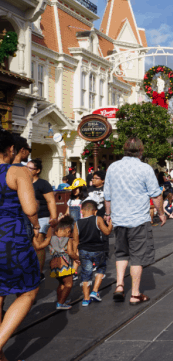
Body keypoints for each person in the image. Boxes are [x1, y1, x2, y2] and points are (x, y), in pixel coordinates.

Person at [104, 137, 166, 304]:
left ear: (124, 150)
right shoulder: (144, 168)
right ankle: (135, 294)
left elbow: (107, 195)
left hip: (119, 219)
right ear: (141, 151)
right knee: (137, 257)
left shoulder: (113, 168)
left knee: (121, 254)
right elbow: (156, 195)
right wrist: (161, 213)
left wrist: (108, 214)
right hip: (138, 219)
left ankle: (119, 286)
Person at [0, 131, 42, 359]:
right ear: (10, 149)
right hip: (11, 239)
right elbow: (30, 208)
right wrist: (36, 227)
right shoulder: (17, 171)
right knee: (27, 292)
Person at [72, 199, 113, 306]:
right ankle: (94, 291)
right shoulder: (97, 219)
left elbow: (75, 241)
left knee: (86, 273)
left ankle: (86, 299)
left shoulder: (77, 223)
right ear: (95, 211)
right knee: (101, 268)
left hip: (84, 251)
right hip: (98, 250)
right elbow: (107, 232)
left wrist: (75, 255)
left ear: (82, 211)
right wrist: (111, 223)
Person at [35, 216, 78, 310]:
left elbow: (39, 246)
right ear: (68, 231)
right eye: (70, 232)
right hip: (64, 265)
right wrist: (77, 259)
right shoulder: (68, 240)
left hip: (54, 265)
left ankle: (60, 299)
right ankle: (61, 303)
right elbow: (71, 253)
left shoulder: (50, 238)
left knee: (61, 284)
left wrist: (34, 237)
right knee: (69, 284)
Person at [28, 158, 58, 276]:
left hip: (42, 216)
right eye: (26, 167)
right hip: (27, 217)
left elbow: (51, 201)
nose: (27, 170)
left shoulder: (43, 184)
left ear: (37, 170)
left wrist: (54, 218)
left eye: (30, 168)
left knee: (38, 243)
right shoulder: (24, 182)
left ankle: (39, 272)